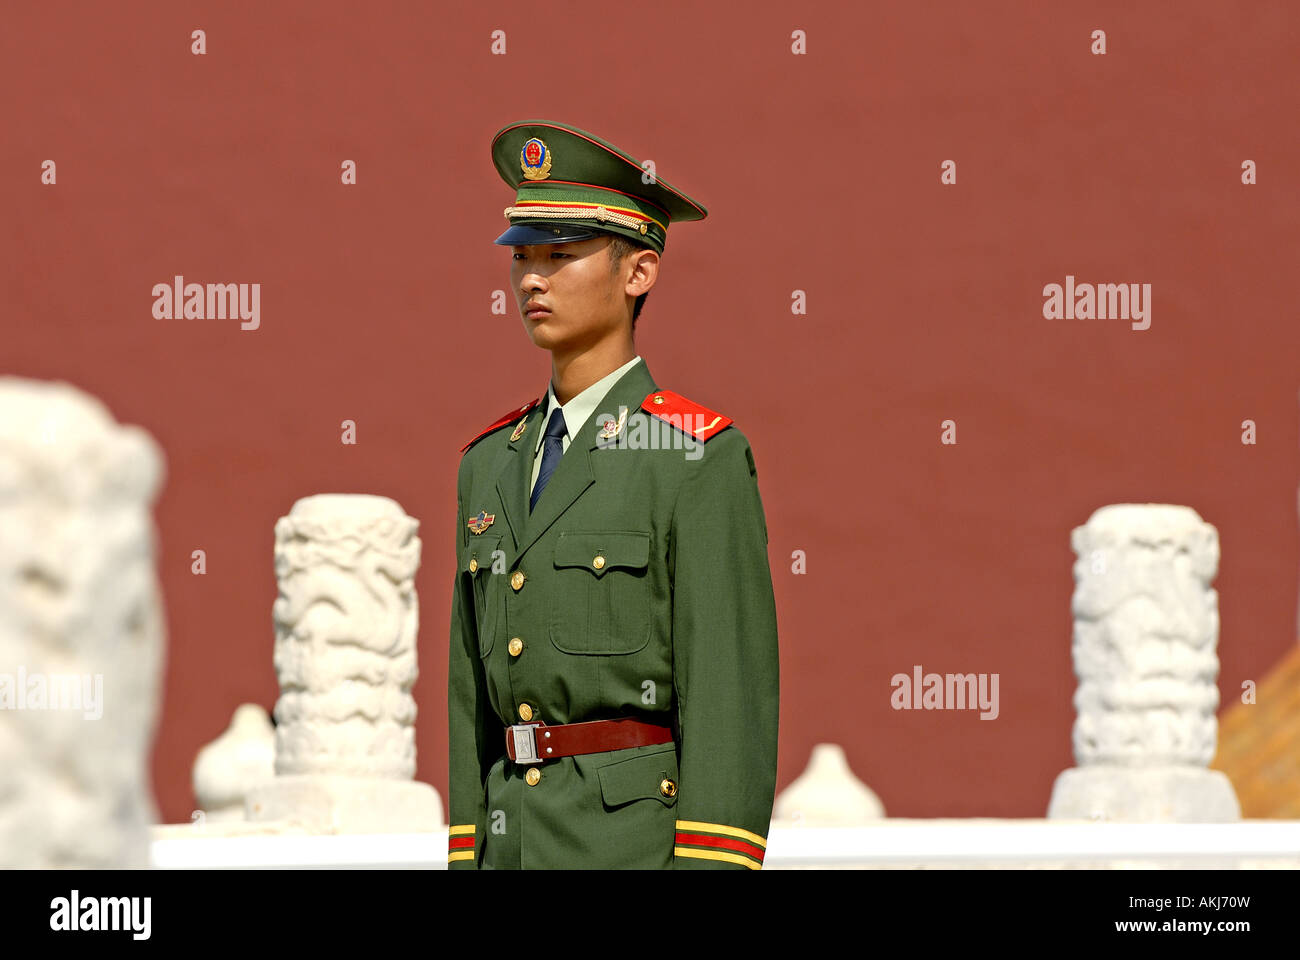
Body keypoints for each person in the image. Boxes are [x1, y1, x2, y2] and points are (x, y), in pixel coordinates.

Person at [447, 119, 779, 869]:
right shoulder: (486, 465)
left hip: (630, 850)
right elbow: (469, 700)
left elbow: (729, 697)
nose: (532, 278)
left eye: (561, 256)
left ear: (639, 274)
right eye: (523, 256)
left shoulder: (693, 456)